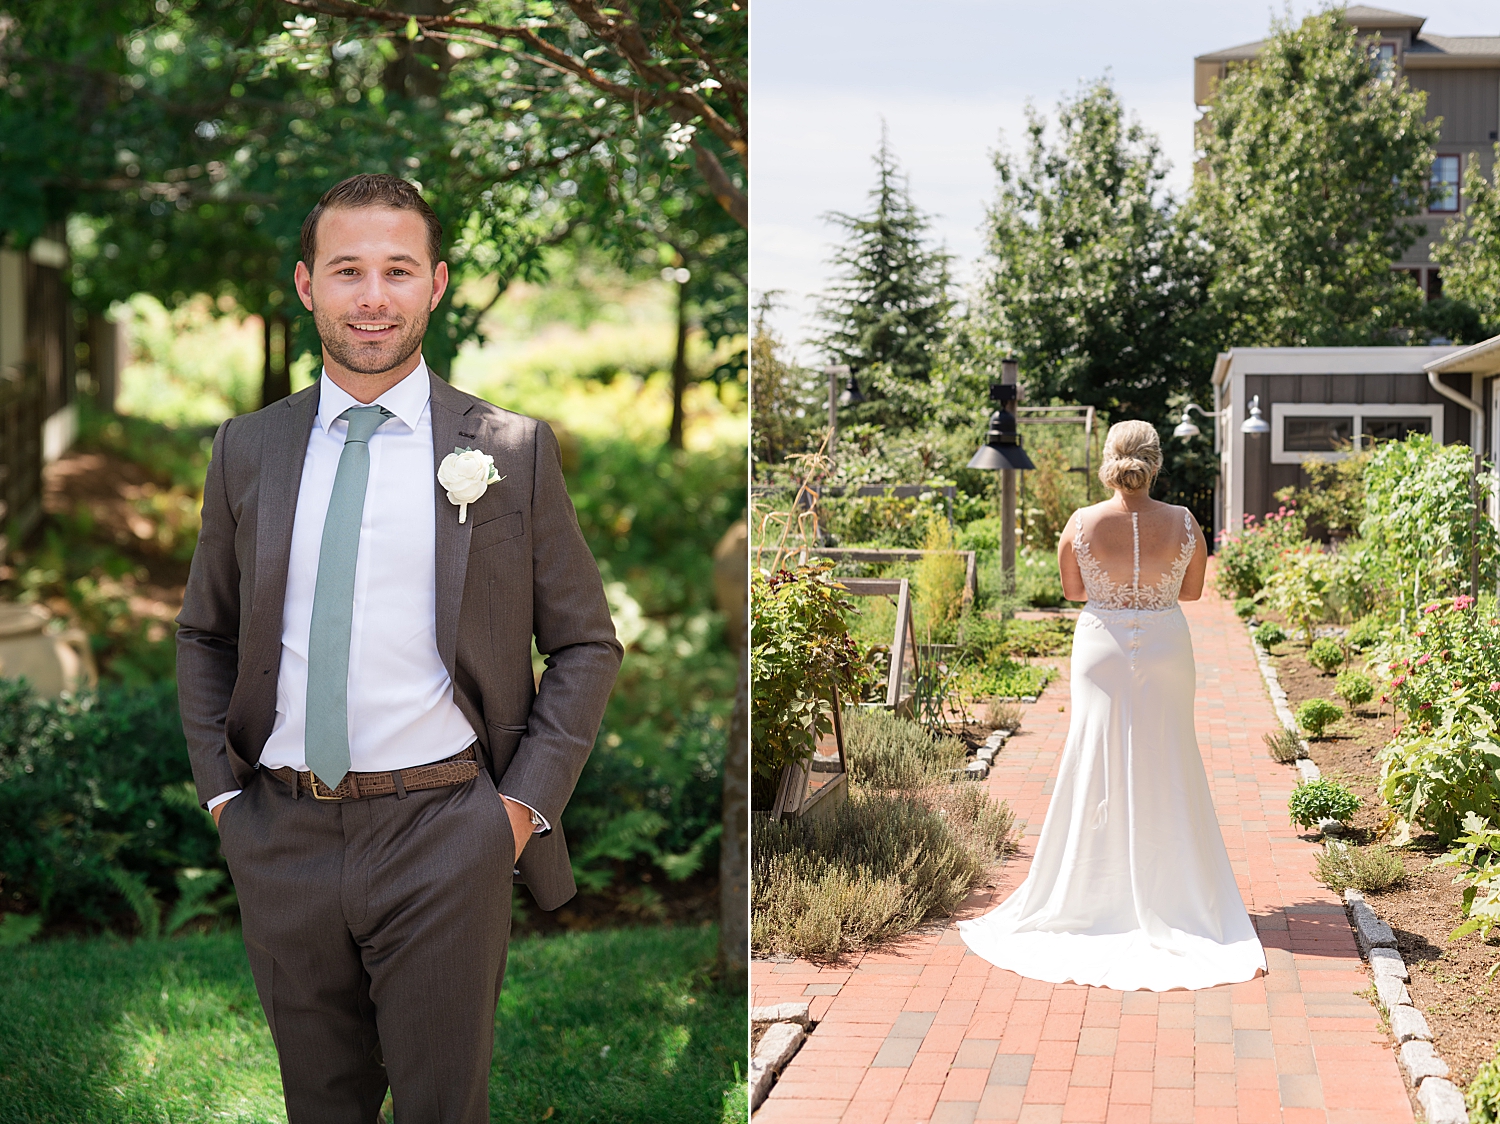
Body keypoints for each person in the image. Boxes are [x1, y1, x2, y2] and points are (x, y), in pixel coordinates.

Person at [176, 173, 623, 1121]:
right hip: (282, 833)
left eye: (396, 270)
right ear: (306, 286)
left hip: (444, 833)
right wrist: (224, 797)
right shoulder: (248, 450)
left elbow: (586, 644)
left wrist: (515, 812)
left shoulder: (508, 449)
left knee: (442, 1107)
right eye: (347, 271)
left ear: (437, 284)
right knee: (320, 1106)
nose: (371, 297)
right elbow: (205, 632)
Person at [958, 420, 1266, 991]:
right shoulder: (1184, 522)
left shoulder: (1082, 522)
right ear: (1155, 461)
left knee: (1094, 754)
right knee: (1168, 755)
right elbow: (1193, 592)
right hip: (1167, 645)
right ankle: (1173, 890)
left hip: (1099, 645)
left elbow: (1074, 591)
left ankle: (1091, 891)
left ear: (1108, 460)